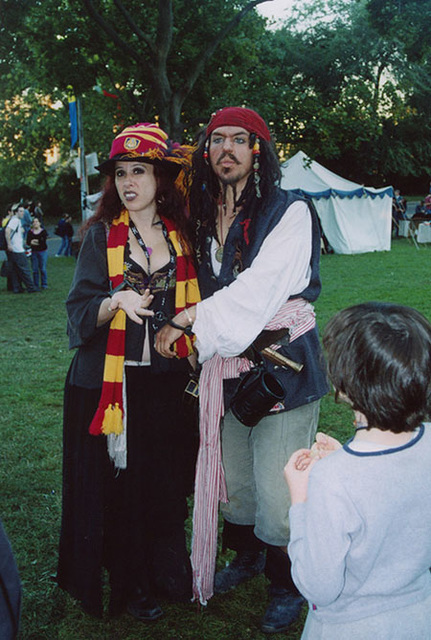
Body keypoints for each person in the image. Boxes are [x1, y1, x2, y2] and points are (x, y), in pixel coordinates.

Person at [155, 106, 329, 633]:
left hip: (284, 369)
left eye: (239, 140)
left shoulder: (289, 211)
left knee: (278, 494)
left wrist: (188, 320)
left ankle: (285, 582)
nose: (226, 149)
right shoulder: (203, 214)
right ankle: (248, 558)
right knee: (236, 484)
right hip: (227, 367)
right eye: (217, 140)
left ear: (258, 151)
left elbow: (256, 295)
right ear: (206, 152)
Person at [56, 123, 200, 620]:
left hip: (164, 382)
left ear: (161, 177)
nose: (128, 182)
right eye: (120, 173)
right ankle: (129, 584)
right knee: (119, 489)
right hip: (108, 388)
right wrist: (112, 301)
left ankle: (163, 570)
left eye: (139, 171)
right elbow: (77, 311)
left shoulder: (184, 236)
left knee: (161, 482)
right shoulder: (100, 236)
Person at [284, 302, 431, 640]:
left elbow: (318, 587)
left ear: (347, 384)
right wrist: (344, 461)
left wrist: (301, 500)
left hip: (351, 627)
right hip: (419, 614)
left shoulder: (333, 479)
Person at [6, 205, 38, 293]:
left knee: (15, 270)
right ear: (16, 212)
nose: (23, 213)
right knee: (25, 269)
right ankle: (31, 287)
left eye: (23, 211)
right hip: (17, 250)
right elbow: (7, 231)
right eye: (20, 211)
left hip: (14, 249)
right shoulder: (15, 220)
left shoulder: (16, 221)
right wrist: (9, 244)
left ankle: (17, 288)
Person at [27, 217, 48, 289]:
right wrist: (33, 242)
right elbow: (28, 242)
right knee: (35, 269)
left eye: (37, 222)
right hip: (34, 252)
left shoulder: (43, 232)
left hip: (42, 252)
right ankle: (35, 284)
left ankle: (44, 284)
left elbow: (42, 242)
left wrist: (34, 241)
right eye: (34, 222)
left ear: (39, 223)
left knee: (43, 268)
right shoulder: (30, 232)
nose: (35, 223)